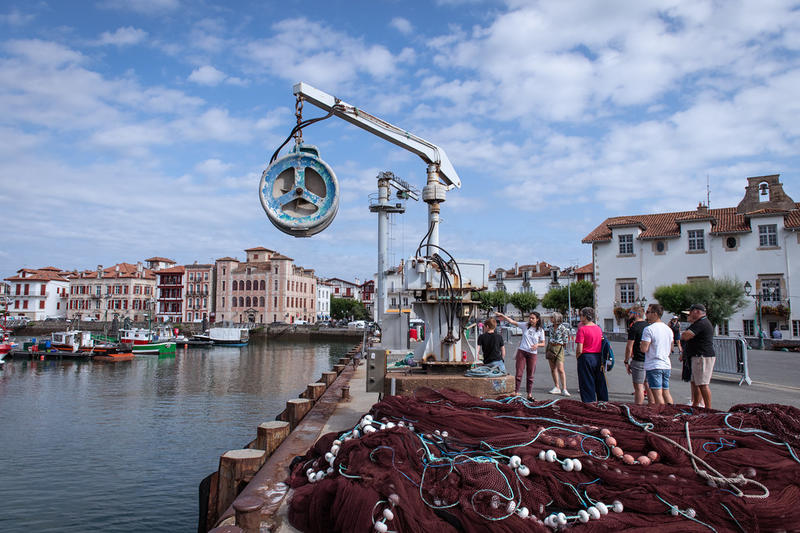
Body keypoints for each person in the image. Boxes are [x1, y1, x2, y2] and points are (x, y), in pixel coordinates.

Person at [496, 311, 545, 400]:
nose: (530, 319)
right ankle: (516, 391)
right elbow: (512, 322)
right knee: (519, 372)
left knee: (530, 375)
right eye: (530, 318)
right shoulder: (525, 325)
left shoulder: (540, 330)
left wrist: (537, 345)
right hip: (522, 351)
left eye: (533, 318)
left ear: (537, 319)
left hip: (532, 353)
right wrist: (503, 316)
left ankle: (529, 394)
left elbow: (543, 343)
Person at [681, 303, 716, 409]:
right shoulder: (699, 323)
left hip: (702, 355)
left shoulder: (701, 323)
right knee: (696, 382)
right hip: (697, 355)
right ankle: (696, 404)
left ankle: (708, 408)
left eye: (691, 312)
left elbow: (686, 336)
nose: (689, 314)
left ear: (697, 312)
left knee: (702, 383)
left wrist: (685, 333)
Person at [639, 303, 674, 405]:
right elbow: (671, 347)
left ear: (654, 314)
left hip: (654, 364)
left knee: (657, 394)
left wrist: (641, 345)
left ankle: (662, 415)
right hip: (666, 364)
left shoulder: (649, 329)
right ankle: (672, 412)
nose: (646, 315)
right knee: (666, 392)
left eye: (648, 312)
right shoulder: (668, 329)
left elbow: (644, 349)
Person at [574, 307, 608, 402]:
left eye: (581, 315)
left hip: (586, 356)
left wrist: (577, 356)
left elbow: (579, 349)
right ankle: (603, 402)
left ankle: (589, 403)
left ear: (585, 316)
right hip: (597, 356)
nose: (580, 317)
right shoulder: (598, 328)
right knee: (599, 382)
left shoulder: (582, 329)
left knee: (586, 382)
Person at [623, 306, 650, 405]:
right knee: (647, 384)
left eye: (630, 312)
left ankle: (638, 408)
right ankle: (652, 407)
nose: (629, 314)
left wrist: (626, 360)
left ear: (636, 314)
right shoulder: (648, 325)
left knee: (638, 386)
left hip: (638, 359)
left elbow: (629, 346)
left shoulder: (634, 327)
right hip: (648, 358)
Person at [545, 312, 571, 396]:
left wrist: (560, 346)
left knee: (560, 369)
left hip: (559, 348)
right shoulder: (551, 327)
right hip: (550, 347)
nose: (550, 318)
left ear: (556, 318)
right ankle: (557, 386)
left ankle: (564, 388)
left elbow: (565, 340)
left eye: (552, 317)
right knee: (553, 368)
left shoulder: (562, 328)